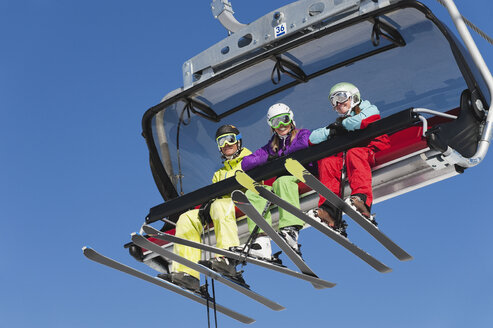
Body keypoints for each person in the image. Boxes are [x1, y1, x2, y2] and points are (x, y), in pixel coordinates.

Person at [158, 125, 251, 291]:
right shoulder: (219, 173)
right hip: (220, 208)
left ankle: (227, 257)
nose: (226, 144)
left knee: (220, 206)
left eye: (230, 139)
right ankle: (187, 274)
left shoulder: (250, 160)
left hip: (244, 203)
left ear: (239, 140)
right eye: (221, 141)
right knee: (186, 219)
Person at [308, 82, 390, 237]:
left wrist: (341, 126)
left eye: (341, 97)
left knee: (354, 152)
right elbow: (313, 138)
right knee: (327, 162)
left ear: (354, 96)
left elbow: (362, 121)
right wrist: (331, 130)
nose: (338, 104)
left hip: (373, 150)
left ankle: (362, 200)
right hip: (349, 158)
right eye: (334, 101)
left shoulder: (368, 108)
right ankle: (329, 211)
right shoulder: (340, 123)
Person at [240, 103, 311, 258]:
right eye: (275, 122)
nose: (280, 125)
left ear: (291, 119)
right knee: (254, 194)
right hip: (285, 182)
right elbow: (246, 163)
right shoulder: (271, 146)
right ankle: (261, 241)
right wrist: (269, 156)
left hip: (303, 175)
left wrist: (280, 154)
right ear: (271, 126)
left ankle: (290, 229)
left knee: (282, 181)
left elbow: (304, 144)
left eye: (284, 120)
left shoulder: (302, 134)